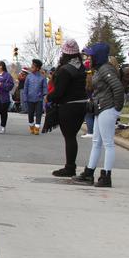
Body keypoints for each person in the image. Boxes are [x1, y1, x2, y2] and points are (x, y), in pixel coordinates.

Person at [73, 43, 125, 187]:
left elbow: (118, 88)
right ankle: (89, 172)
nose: (89, 57)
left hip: (107, 108)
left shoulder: (106, 69)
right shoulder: (100, 69)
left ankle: (106, 176)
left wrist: (116, 109)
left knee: (108, 143)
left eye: (91, 55)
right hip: (100, 108)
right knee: (96, 142)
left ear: (98, 56)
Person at [48, 39, 89, 177]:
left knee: (69, 137)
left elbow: (59, 91)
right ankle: (70, 166)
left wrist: (49, 97)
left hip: (69, 106)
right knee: (72, 137)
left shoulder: (65, 70)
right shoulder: (80, 67)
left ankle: (70, 167)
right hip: (81, 104)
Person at [23, 59, 47, 134]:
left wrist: (45, 95)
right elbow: (25, 87)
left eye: (33, 67)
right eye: (31, 66)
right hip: (30, 99)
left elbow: (45, 87)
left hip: (39, 99)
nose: (31, 68)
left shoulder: (42, 77)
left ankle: (37, 128)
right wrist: (25, 97)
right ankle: (31, 125)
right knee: (30, 114)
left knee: (38, 113)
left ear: (37, 68)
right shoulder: (29, 77)